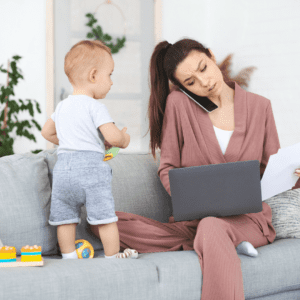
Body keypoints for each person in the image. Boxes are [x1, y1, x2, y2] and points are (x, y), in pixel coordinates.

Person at [88, 38, 300, 299]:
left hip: (248, 219)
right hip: (195, 220)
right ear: (181, 87)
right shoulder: (179, 105)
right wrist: (189, 197)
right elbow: (167, 168)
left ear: (211, 56)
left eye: (203, 68)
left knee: (212, 227)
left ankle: (217, 238)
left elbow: (270, 168)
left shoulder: (260, 106)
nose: (204, 82)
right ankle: (219, 242)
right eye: (191, 82)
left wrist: (293, 175)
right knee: (104, 222)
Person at [43, 40, 138, 260]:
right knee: (104, 217)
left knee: (65, 217)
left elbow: (47, 133)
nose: (111, 82)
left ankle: (68, 256)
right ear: (94, 76)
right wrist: (124, 138)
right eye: (110, 75)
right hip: (91, 171)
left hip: (63, 171)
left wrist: (72, 139)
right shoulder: (95, 106)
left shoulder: (62, 106)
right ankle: (113, 256)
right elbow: (113, 137)